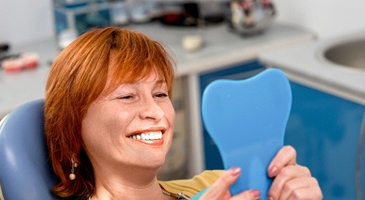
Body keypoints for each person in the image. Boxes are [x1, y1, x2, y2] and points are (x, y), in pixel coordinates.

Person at [44, 26, 322, 200]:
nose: (155, 111)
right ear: (73, 125)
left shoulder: (222, 185)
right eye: (127, 96)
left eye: (160, 94)